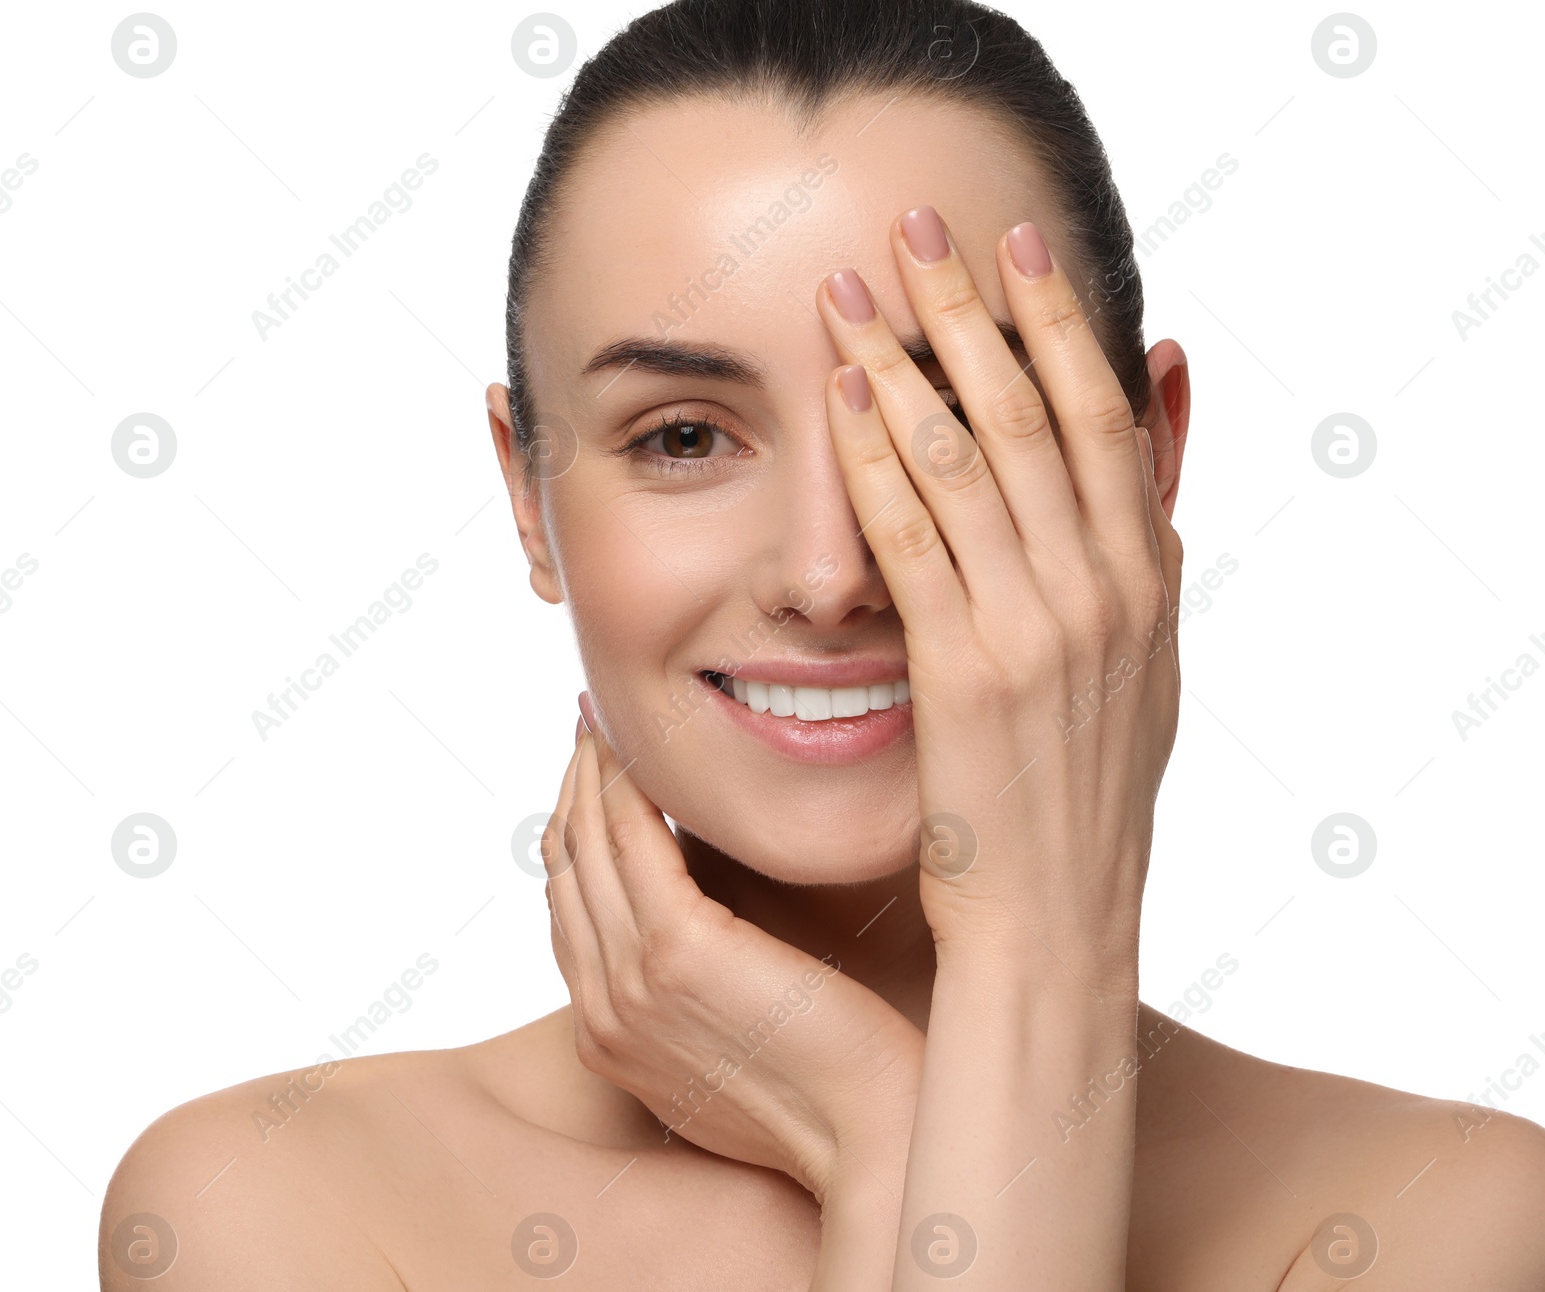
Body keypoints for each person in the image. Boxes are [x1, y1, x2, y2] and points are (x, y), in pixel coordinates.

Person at [99, 1, 1545, 1286]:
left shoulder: (1443, 1222)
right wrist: (887, 1131)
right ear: (527, 498)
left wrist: (1010, 994)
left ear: (1146, 467)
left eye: (950, 425)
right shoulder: (275, 1210)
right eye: (682, 437)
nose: (828, 571)